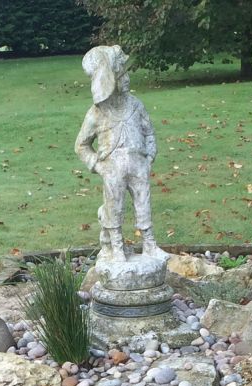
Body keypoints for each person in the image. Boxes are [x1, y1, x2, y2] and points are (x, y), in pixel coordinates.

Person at [75, 45, 164, 262]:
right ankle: (116, 246)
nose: (127, 79)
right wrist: (98, 165)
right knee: (114, 205)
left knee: (144, 201)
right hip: (112, 168)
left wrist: (148, 158)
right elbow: (81, 145)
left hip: (138, 164)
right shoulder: (97, 113)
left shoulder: (136, 105)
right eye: (122, 75)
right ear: (111, 80)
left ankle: (149, 243)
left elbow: (149, 134)